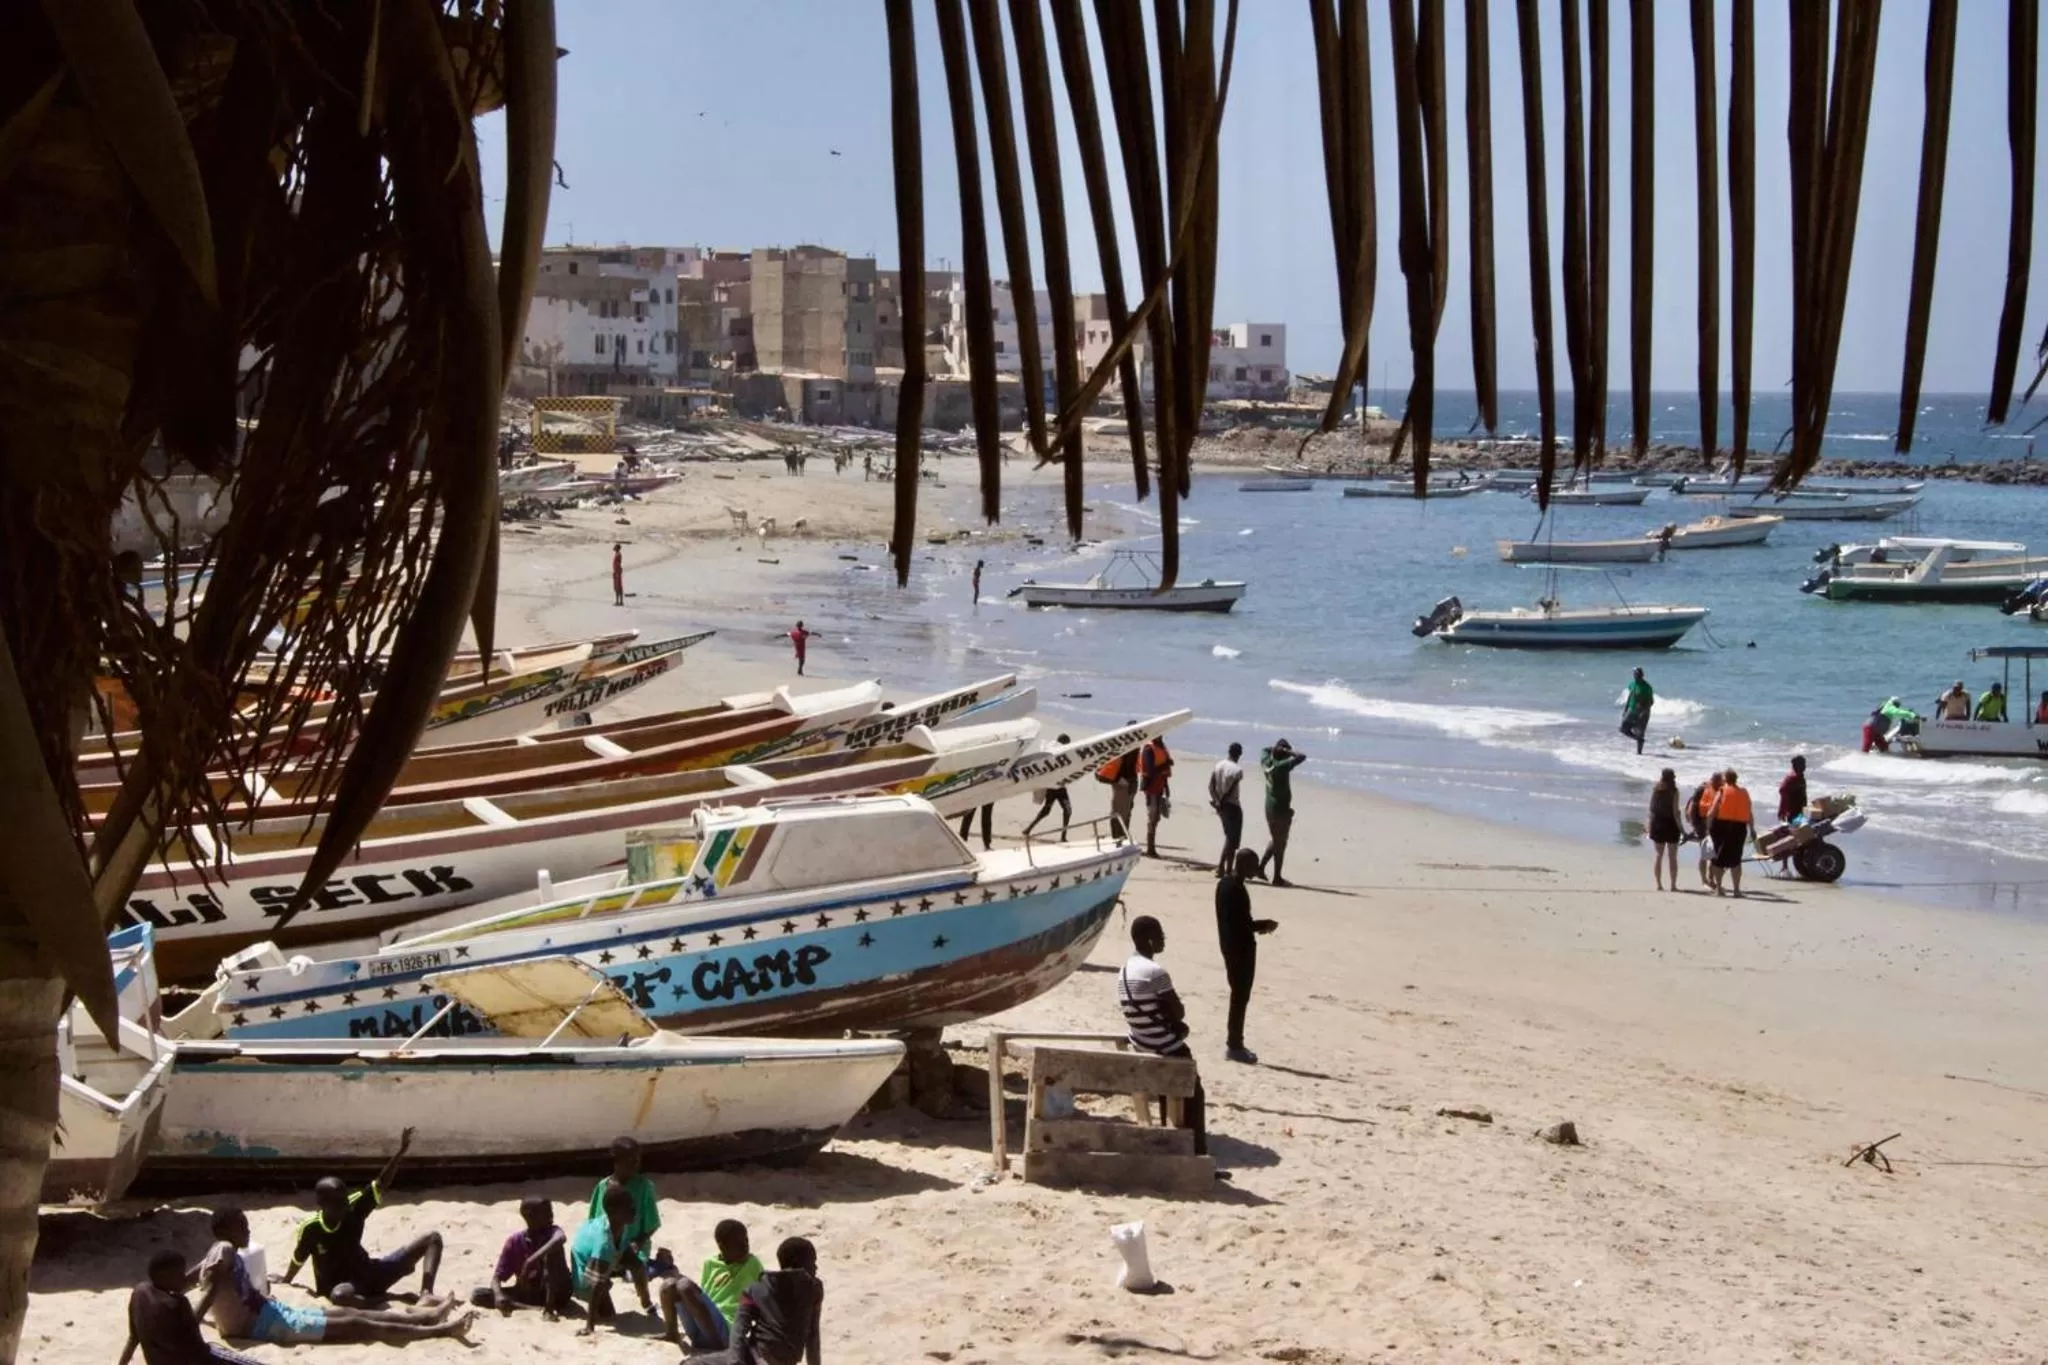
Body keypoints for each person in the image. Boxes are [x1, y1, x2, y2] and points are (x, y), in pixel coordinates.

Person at [198, 1207, 471, 1347]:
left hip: (274, 1313)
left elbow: (197, 1281)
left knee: (349, 1314)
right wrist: (189, 1326)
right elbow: (212, 1287)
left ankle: (427, 1317)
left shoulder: (214, 1253)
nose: (248, 1230)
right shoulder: (224, 1251)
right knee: (358, 1323)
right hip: (270, 1326)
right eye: (241, 1227)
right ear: (225, 1232)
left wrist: (195, 1314)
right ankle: (440, 1329)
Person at [278, 1127, 441, 1307]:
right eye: (338, 1204)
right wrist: (286, 1281)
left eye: (345, 1201)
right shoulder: (311, 1228)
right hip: (344, 1288)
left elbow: (380, 1184)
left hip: (370, 1273)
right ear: (322, 1205)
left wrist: (400, 1152)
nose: (344, 1207)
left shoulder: (353, 1207)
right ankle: (390, 1298)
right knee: (338, 1297)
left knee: (432, 1239)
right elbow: (298, 1258)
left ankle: (426, 1293)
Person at [1115, 916, 1206, 1155]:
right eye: (1159, 936)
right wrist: (1178, 1025)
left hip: (1140, 1042)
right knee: (1194, 1092)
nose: (1163, 940)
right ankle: (1196, 1152)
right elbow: (1178, 1011)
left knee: (1171, 1088)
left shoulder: (1124, 970)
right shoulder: (1155, 972)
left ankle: (1172, 1137)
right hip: (1162, 1045)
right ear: (1148, 939)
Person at [119, 1249, 264, 1365]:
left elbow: (133, 1339)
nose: (183, 1277)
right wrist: (215, 1284)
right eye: (179, 1274)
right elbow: (197, 1339)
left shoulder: (139, 1292)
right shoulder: (177, 1303)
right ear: (164, 1276)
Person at [698, 1235, 824, 1365]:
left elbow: (739, 1330)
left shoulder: (754, 1290)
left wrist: (735, 1362)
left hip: (755, 1356)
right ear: (799, 1262)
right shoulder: (814, 1289)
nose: (815, 1267)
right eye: (813, 1262)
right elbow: (813, 1338)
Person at [658, 1218, 764, 1352]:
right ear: (722, 1246)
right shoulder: (710, 1263)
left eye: (746, 1240)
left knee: (684, 1285)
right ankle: (672, 1333)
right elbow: (703, 1295)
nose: (745, 1246)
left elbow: (764, 1294)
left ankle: (719, 1349)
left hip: (727, 1329)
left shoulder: (752, 1263)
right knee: (669, 1285)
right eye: (738, 1243)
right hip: (703, 1326)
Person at [1215, 849, 1278, 1062]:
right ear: (1242, 865)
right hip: (1239, 949)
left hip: (1230, 946)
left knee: (1239, 995)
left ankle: (1235, 1043)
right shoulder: (1234, 889)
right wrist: (1264, 924)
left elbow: (1234, 921)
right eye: (1253, 865)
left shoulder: (1224, 884)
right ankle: (1234, 1045)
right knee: (1240, 997)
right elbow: (1241, 924)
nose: (1256, 869)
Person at [571, 1180, 652, 1335]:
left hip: (601, 1255)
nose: (634, 1210)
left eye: (633, 1206)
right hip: (586, 1276)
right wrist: (590, 1326)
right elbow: (596, 1285)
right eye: (629, 1208)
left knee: (637, 1264)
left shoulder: (620, 1224)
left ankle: (646, 1302)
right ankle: (590, 1318)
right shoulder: (603, 1243)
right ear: (613, 1212)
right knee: (608, 1313)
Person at [470, 1196, 571, 1319]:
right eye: (546, 1212)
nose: (551, 1215)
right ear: (530, 1216)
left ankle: (548, 1310)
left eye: (551, 1211)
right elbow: (497, 1278)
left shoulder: (552, 1231)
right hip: (528, 1293)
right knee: (478, 1295)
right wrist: (498, 1295)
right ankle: (520, 1306)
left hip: (557, 1293)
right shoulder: (514, 1242)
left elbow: (560, 1238)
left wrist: (530, 1261)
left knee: (551, 1253)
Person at [590, 1135, 661, 1260]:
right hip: (606, 1246)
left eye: (637, 1161)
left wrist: (637, 1244)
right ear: (616, 1161)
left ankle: (662, 1263)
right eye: (630, 1161)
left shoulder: (644, 1187)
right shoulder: (602, 1187)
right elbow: (593, 1222)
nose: (636, 1165)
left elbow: (652, 1224)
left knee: (632, 1272)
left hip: (634, 1246)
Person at [1257, 739, 1308, 888]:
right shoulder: (1281, 767)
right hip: (1280, 810)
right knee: (1281, 844)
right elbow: (1301, 757)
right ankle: (1277, 877)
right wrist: (1288, 751)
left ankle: (1260, 868)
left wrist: (1277, 749)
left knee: (1276, 839)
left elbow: (1264, 748)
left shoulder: (1266, 761)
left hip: (1270, 807)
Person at [1707, 768, 1757, 898]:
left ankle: (1719, 888)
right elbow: (1749, 813)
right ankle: (1736, 890)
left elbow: (1712, 812)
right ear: (1736, 779)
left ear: (1725, 779)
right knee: (1736, 860)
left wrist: (1708, 827)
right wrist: (1752, 829)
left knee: (1719, 859)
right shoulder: (1744, 793)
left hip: (1722, 827)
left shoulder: (1722, 791)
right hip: (1740, 828)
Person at [1020, 734, 1074, 841]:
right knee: (1062, 810)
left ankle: (1029, 829)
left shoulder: (1054, 751)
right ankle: (1062, 836)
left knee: (1052, 810)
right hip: (1055, 788)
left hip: (1057, 787)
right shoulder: (1057, 752)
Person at [1209, 742, 1245, 877]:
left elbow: (1210, 786)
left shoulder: (1218, 765)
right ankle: (1222, 867)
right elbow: (1230, 790)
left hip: (1220, 805)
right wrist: (1222, 801)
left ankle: (1227, 868)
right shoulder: (1237, 770)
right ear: (1239, 754)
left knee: (1229, 837)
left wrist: (1217, 801)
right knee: (1232, 839)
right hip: (1232, 805)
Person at [1647, 768, 1683, 892]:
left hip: (1657, 823)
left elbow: (1651, 809)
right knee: (1672, 856)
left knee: (1658, 855)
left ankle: (1659, 885)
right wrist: (1682, 829)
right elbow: (1675, 812)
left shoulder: (1655, 789)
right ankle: (1673, 885)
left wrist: (1649, 825)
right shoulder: (1674, 791)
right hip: (1671, 824)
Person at [1139, 734, 1174, 857]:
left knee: (1156, 818)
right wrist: (1167, 764)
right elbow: (1150, 771)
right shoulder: (1149, 749)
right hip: (1151, 788)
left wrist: (1166, 787)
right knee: (1152, 817)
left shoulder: (1161, 747)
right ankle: (1150, 848)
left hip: (1159, 787)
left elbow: (1162, 772)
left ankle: (1151, 847)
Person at [1686, 771, 1724, 886]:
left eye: (1721, 780)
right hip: (1702, 825)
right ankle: (1704, 880)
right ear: (1713, 780)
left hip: (1716, 825)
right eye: (1718, 780)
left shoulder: (1722, 790)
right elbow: (1692, 808)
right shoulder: (1702, 789)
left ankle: (1711, 878)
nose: (1721, 783)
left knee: (1715, 854)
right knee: (1706, 854)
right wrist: (1694, 825)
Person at [1098, 738, 1139, 842]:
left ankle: (1122, 837)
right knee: (1119, 811)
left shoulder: (1135, 745)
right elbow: (1119, 765)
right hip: (1123, 782)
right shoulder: (1124, 746)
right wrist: (1119, 779)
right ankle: (1117, 837)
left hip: (1129, 782)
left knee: (1126, 811)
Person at [1621, 667, 1655, 755]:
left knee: (1640, 731)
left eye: (1637, 674)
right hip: (1631, 710)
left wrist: (1643, 711)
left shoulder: (1647, 687)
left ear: (1641, 675)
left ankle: (1639, 753)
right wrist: (1625, 709)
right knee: (1623, 729)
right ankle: (1638, 739)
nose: (1635, 676)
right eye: (1634, 674)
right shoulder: (1632, 684)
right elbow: (1630, 696)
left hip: (1643, 712)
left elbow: (1651, 702)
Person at [1777, 755, 1809, 824]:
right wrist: (1782, 811)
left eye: (1804, 764)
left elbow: (1803, 794)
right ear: (1796, 766)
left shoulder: (1800, 777)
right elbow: (1782, 791)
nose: (1804, 766)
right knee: (1796, 830)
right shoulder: (1792, 778)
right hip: (1792, 812)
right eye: (1802, 764)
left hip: (1800, 810)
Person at [611, 543, 624, 607]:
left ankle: (619, 601)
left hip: (617, 572)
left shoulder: (618, 555)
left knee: (618, 587)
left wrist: (617, 573)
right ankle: (619, 601)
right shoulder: (617, 554)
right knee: (617, 587)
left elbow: (617, 564)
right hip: (616, 572)